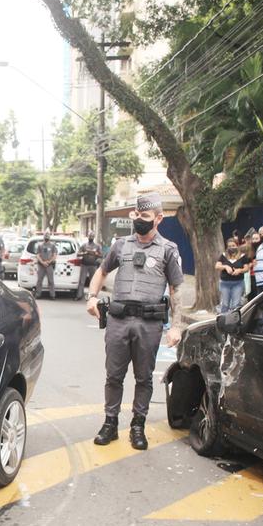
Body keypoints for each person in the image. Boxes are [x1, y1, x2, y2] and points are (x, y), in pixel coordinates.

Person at [86, 193, 184, 451]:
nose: (140, 220)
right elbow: (102, 271)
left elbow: (176, 289)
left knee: (144, 378)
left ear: (159, 219)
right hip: (118, 321)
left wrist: (176, 326)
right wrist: (92, 297)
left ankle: (137, 426)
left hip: (149, 325)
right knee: (113, 376)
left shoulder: (168, 250)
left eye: (146, 216)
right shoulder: (121, 245)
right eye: (137, 215)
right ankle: (110, 423)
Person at [216, 238, 250, 313]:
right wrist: (225, 267)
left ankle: (233, 320)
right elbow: (217, 266)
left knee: (236, 304)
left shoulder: (242, 256)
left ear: (237, 245)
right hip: (225, 283)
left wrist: (240, 270)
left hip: (238, 283)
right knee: (225, 304)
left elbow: (247, 268)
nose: (231, 248)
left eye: (233, 245)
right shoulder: (224, 255)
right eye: (229, 246)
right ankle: (224, 320)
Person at [77, 232, 102, 301]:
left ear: (94, 237)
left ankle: (92, 297)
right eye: (90, 236)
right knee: (82, 281)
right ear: (88, 236)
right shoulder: (84, 245)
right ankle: (79, 296)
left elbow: (101, 255)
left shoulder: (97, 246)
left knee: (93, 282)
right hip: (84, 264)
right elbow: (78, 254)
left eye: (92, 236)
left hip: (93, 265)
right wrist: (84, 253)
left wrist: (96, 254)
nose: (91, 237)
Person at [34, 231, 58, 299]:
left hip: (49, 265)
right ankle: (38, 294)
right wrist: (42, 262)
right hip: (41, 265)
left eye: (47, 237)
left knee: (51, 281)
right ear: (43, 237)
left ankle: (52, 295)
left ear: (49, 237)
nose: (46, 238)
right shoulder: (40, 245)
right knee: (39, 280)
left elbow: (54, 255)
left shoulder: (53, 246)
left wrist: (49, 262)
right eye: (45, 237)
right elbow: (38, 255)